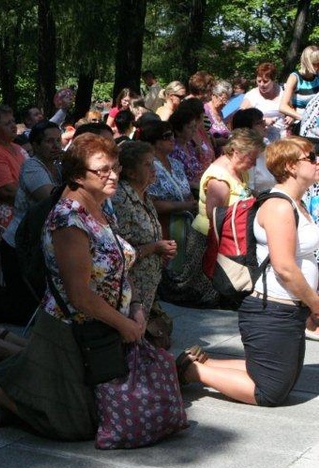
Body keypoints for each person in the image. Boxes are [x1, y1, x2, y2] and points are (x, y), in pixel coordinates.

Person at [0, 134, 144, 438]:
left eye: (116, 167)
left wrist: (134, 306)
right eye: (102, 170)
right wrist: (123, 323)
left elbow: (120, 264)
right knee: (72, 425)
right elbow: (79, 294)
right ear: (76, 176)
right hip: (68, 326)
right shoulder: (68, 219)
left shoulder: (99, 207)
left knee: (87, 413)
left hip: (99, 326)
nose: (113, 175)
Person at [178, 137, 319, 406]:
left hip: (287, 308)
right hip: (271, 308)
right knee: (269, 392)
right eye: (311, 157)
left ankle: (200, 361)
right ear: (290, 166)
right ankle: (193, 371)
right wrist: (316, 305)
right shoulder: (279, 206)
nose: (317, 162)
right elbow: (285, 267)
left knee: (281, 379)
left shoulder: (296, 203)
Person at [166, 128, 264, 307]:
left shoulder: (239, 169)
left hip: (227, 235)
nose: (255, 163)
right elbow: (215, 215)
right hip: (209, 237)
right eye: (252, 157)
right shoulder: (219, 178)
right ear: (236, 151)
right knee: (200, 287)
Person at [112, 141, 177, 347]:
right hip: (130, 283)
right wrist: (154, 248)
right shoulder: (121, 198)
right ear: (130, 172)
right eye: (147, 165)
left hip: (147, 283)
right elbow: (119, 249)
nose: (153, 169)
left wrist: (162, 250)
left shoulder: (145, 195)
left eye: (153, 163)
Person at [1, 120, 63, 321]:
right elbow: (49, 199)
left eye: (58, 141)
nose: (56, 146)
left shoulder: (58, 167)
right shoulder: (32, 167)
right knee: (24, 311)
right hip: (20, 243)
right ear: (35, 145)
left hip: (39, 244)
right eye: (49, 141)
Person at [240, 62, 286, 143]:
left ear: (273, 80)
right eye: (259, 81)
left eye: (265, 81)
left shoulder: (283, 91)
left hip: (283, 138)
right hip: (261, 140)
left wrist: (291, 117)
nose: (261, 84)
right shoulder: (252, 95)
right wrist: (263, 121)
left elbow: (292, 107)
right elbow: (241, 118)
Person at [280, 46, 319, 134]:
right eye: (315, 64)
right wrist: (304, 118)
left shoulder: (317, 77)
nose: (318, 67)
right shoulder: (295, 78)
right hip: (299, 127)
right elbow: (283, 106)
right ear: (307, 62)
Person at [205, 80, 233, 148]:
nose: (224, 103)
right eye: (222, 100)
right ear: (213, 96)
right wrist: (227, 142)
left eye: (226, 101)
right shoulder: (205, 110)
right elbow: (204, 137)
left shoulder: (220, 113)